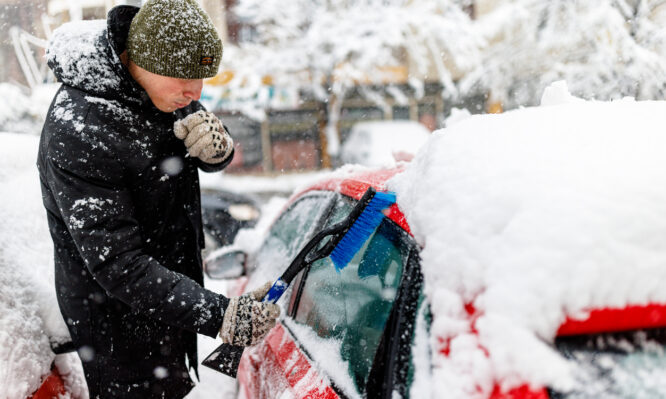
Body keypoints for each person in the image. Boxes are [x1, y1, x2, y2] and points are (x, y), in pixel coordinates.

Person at [37, 1, 279, 397]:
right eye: (185, 77)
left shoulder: (161, 89)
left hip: (168, 296)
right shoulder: (80, 128)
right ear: (138, 58)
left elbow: (186, 150)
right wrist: (219, 314)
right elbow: (118, 263)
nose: (195, 91)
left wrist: (218, 152)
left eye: (203, 77)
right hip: (116, 322)